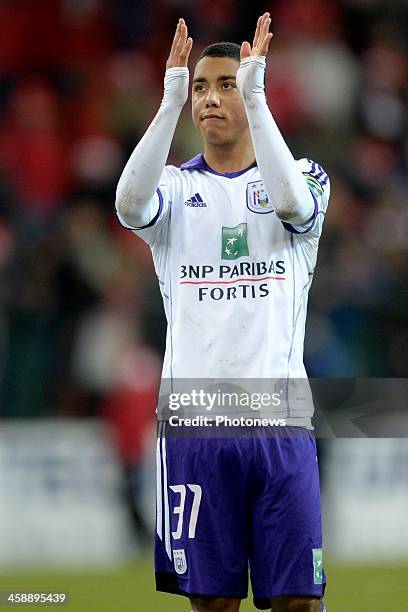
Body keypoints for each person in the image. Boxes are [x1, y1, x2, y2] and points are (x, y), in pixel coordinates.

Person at [116, 12, 329, 612]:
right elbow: (129, 205)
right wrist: (168, 100)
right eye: (201, 87)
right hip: (196, 426)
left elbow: (291, 203)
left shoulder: (303, 178)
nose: (211, 97)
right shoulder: (177, 192)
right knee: (213, 605)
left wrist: (257, 95)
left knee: (299, 603)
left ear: (255, 87)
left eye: (227, 83)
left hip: (279, 423)